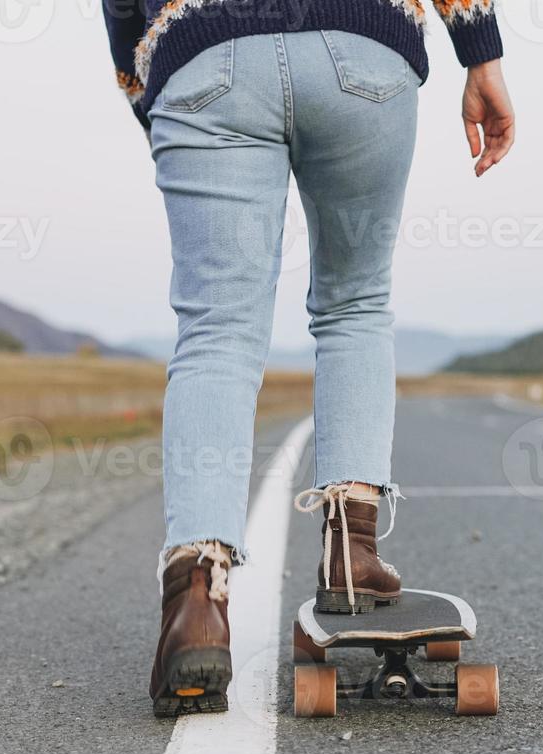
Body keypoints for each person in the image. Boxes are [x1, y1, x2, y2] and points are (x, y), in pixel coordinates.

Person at [104, 0, 516, 717]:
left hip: (204, 53)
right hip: (363, 49)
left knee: (216, 330)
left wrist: (153, 88)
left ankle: (196, 600)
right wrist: (479, 50)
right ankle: (351, 554)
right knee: (354, 304)